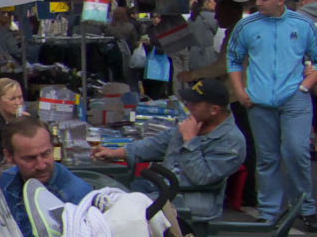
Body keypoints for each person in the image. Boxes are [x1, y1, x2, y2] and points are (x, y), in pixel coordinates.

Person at [227, 0, 317, 231]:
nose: (258, 3)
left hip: (295, 98)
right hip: (258, 100)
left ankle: (305, 207)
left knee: (296, 151)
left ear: (280, 0)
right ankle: (269, 212)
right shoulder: (246, 26)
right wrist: (240, 91)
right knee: (267, 157)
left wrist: (307, 84)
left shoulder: (303, 24)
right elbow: (233, 60)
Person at [93, 78, 244, 221]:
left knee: (119, 209)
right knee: (104, 192)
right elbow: (156, 144)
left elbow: (201, 177)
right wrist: (115, 153)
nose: (188, 105)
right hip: (161, 188)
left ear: (214, 110)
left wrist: (190, 141)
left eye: (195, 103)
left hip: (190, 201)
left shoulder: (232, 141)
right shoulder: (195, 121)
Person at [0, 117, 92, 237]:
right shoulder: (7, 182)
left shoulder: (76, 195)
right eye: (30, 158)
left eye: (46, 153)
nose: (41, 165)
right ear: (9, 157)